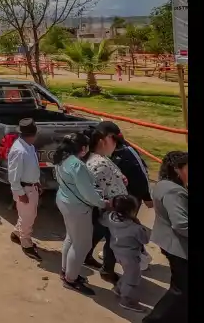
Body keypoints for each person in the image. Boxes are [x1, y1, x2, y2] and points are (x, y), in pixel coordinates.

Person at [53, 132, 108, 296]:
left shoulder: (61, 158)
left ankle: (66, 272)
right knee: (81, 244)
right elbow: (89, 194)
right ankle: (71, 279)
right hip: (77, 207)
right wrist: (103, 203)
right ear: (83, 149)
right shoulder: (77, 165)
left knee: (71, 238)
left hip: (65, 201)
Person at [144, 151, 188, 323]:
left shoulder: (163, 184)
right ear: (177, 169)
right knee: (181, 290)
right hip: (177, 246)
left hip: (168, 241)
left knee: (180, 286)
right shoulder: (175, 192)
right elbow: (181, 224)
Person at [85, 125, 130, 283]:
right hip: (111, 209)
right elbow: (97, 189)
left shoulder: (100, 159)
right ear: (102, 141)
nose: (116, 145)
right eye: (113, 140)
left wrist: (121, 177)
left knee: (98, 232)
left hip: (107, 208)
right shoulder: (100, 163)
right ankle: (107, 270)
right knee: (113, 242)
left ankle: (86, 255)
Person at [103, 195, 150, 313]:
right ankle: (127, 301)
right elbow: (145, 240)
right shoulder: (135, 228)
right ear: (131, 210)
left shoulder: (109, 218)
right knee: (133, 278)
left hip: (117, 252)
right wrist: (141, 226)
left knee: (128, 273)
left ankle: (119, 288)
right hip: (131, 256)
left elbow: (102, 219)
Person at [7, 118, 42, 261]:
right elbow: (13, 176)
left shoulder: (29, 146)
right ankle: (26, 243)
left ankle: (17, 233)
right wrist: (20, 193)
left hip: (31, 186)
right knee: (28, 217)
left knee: (28, 215)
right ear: (31, 134)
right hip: (24, 189)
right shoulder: (19, 151)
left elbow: (33, 167)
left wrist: (37, 182)